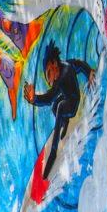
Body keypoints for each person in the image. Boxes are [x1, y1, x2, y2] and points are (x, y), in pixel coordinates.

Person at [24, 42, 95, 185]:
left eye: (49, 73)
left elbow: (48, 98)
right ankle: (65, 122)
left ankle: (53, 152)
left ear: (54, 63)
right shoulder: (66, 65)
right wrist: (88, 72)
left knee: (60, 106)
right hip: (68, 99)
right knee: (56, 105)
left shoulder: (61, 77)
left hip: (72, 105)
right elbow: (79, 65)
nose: (50, 80)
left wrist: (34, 99)